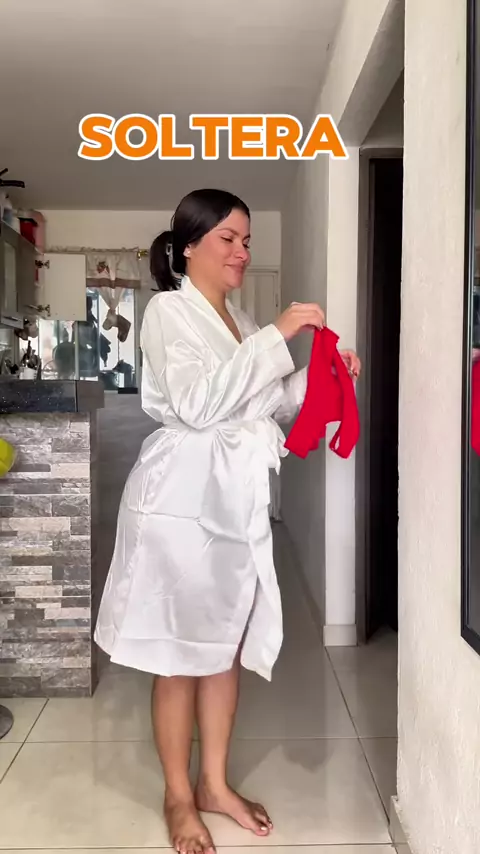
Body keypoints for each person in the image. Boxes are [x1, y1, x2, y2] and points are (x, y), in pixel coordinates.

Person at [94, 188, 360, 854]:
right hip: (181, 503)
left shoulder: (239, 319)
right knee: (179, 655)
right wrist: (278, 335)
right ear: (189, 246)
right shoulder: (168, 312)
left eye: (247, 241)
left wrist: (322, 376)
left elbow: (264, 406)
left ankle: (213, 784)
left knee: (222, 643)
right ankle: (178, 796)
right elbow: (197, 404)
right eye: (228, 239)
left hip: (232, 504)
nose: (241, 251)